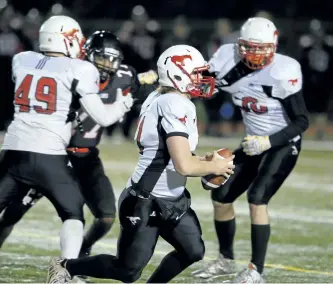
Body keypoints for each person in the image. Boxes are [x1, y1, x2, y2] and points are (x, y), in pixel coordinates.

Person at [46, 44, 235, 284]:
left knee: (193, 250)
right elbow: (184, 166)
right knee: (127, 272)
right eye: (196, 73)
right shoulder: (175, 104)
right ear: (178, 75)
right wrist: (214, 167)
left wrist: (205, 161)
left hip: (171, 198)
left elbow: (172, 153)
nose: (203, 79)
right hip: (145, 201)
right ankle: (65, 266)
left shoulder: (164, 97)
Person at [0, 30, 156, 262]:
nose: (107, 65)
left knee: (105, 216)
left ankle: (80, 253)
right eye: (102, 58)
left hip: (85, 157)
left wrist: (153, 80)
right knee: (13, 213)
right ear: (87, 55)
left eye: (112, 59)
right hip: (53, 153)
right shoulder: (72, 71)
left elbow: (138, 83)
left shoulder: (123, 76)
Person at [192, 17, 309, 283]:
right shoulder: (226, 57)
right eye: (249, 47)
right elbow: (201, 86)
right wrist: (199, 86)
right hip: (251, 142)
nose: (255, 54)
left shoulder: (284, 70)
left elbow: (302, 121)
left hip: (281, 143)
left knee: (257, 198)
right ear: (239, 45)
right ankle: (226, 261)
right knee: (221, 197)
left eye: (261, 48)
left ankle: (257, 271)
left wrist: (268, 142)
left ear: (274, 45)